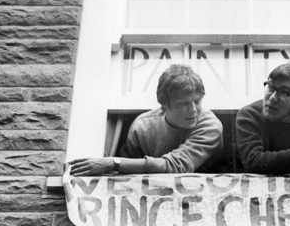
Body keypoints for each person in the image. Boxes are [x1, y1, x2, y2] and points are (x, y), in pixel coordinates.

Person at [68, 64, 223, 175]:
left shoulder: (210, 125)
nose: (193, 110)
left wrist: (112, 163)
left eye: (197, 101)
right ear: (164, 106)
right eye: (183, 104)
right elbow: (122, 174)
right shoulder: (142, 126)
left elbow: (176, 166)